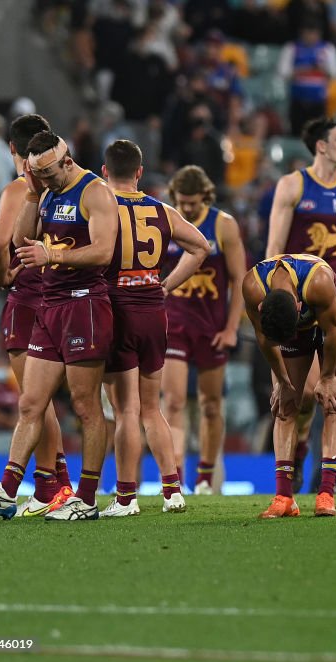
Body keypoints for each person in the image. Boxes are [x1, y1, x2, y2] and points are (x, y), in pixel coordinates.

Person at [0, 131, 118, 520]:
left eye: (48, 174)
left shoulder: (94, 192)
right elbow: (20, 239)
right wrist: (33, 192)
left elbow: (103, 250)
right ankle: (7, 489)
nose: (45, 180)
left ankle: (84, 498)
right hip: (50, 307)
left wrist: (51, 253)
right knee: (31, 403)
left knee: (85, 406)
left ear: (67, 161)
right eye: (38, 175)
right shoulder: (45, 190)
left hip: (84, 304)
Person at [98, 140, 210, 517]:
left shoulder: (101, 206)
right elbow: (200, 247)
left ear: (104, 171)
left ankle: (126, 498)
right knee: (152, 408)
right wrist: (167, 284)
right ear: (140, 172)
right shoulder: (161, 209)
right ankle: (172, 490)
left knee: (126, 410)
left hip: (118, 310)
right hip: (154, 311)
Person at [266, 117, 336, 491]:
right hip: (301, 304)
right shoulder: (293, 186)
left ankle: (334, 477)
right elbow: (273, 252)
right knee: (307, 396)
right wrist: (279, 301)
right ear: (321, 146)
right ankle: (298, 451)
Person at [0, 114, 71, 517]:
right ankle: (60, 483)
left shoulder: (19, 189)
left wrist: (3, 275)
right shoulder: (69, 185)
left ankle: (51, 485)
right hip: (66, 297)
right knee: (47, 400)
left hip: (28, 298)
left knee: (35, 399)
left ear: (12, 149)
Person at [243, 254, 336, 518]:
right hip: (295, 317)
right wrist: (282, 381)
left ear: (298, 306)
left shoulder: (319, 283)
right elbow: (264, 339)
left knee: (333, 401)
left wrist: (327, 377)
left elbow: (333, 332)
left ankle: (326, 493)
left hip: (332, 315)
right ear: (261, 308)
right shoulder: (252, 288)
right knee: (285, 405)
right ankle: (284, 497)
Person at [162, 165, 247, 495]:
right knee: (173, 402)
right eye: (182, 203)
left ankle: (206, 478)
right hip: (174, 324)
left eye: (193, 204)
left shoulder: (223, 225)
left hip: (211, 326)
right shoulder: (167, 220)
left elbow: (240, 279)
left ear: (205, 198)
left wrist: (231, 328)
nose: (187, 209)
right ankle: (177, 477)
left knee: (211, 405)